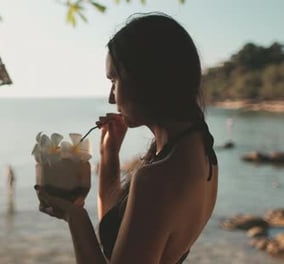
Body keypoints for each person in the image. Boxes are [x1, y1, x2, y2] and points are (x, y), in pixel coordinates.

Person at [35, 12, 218, 263]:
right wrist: (109, 155)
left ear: (147, 79)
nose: (112, 97)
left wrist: (74, 215)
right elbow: (122, 232)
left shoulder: (157, 177)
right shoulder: (202, 150)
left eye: (114, 80)